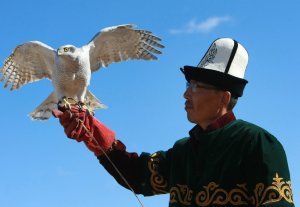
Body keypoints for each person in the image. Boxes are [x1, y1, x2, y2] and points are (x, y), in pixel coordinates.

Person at [52, 38, 294, 207]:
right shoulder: (183, 152)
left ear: (224, 97)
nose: (186, 93)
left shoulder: (258, 144)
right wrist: (91, 131)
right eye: (188, 85)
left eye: (196, 86)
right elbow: (136, 175)